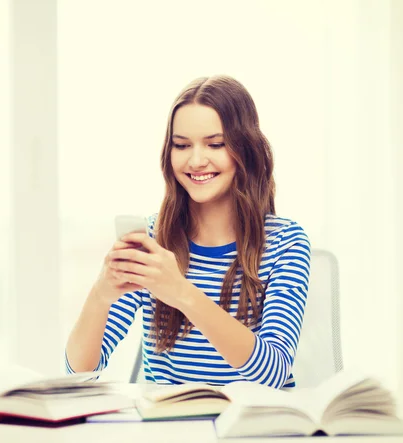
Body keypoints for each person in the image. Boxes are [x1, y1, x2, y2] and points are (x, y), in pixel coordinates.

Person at [65, 75, 311, 388]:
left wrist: (180, 292)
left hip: (250, 430)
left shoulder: (285, 243)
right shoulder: (153, 241)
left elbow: (273, 372)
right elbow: (79, 374)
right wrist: (101, 293)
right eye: (182, 145)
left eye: (216, 144)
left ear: (246, 150)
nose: (196, 160)